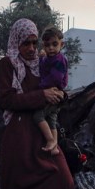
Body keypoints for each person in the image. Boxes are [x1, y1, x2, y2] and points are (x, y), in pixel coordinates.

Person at [0, 18, 75, 189]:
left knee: (64, 183)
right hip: (20, 136)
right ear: (16, 42)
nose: (30, 48)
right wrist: (41, 96)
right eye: (25, 43)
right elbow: (6, 100)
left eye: (33, 42)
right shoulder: (8, 64)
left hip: (44, 135)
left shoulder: (43, 63)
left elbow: (56, 84)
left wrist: (60, 94)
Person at [33, 26, 68, 154]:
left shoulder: (60, 60)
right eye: (47, 45)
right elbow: (44, 66)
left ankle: (50, 140)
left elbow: (56, 78)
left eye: (55, 44)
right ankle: (54, 146)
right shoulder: (49, 58)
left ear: (61, 44)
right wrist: (41, 57)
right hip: (55, 94)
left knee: (38, 116)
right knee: (51, 119)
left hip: (53, 91)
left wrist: (40, 87)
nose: (51, 48)